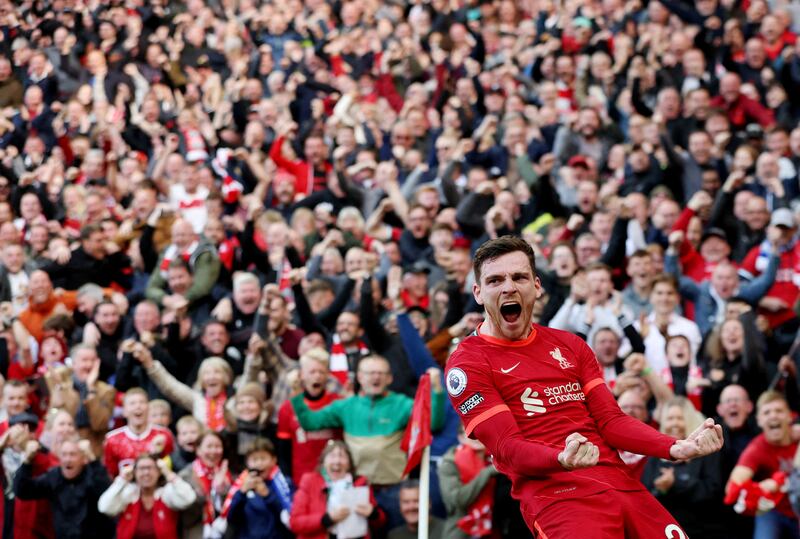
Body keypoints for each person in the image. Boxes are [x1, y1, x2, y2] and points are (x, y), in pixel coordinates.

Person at [446, 236, 723, 538]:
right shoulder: (468, 362)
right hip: (558, 495)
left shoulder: (570, 345)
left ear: (537, 286)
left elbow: (611, 422)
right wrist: (561, 458)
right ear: (478, 293)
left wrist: (674, 446)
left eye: (519, 277)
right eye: (495, 280)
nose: (508, 287)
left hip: (620, 482)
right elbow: (507, 448)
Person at [640, 397, 724, 538]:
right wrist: (661, 489)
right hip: (664, 532)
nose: (674, 424)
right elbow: (645, 496)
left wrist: (677, 482)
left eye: (680, 418)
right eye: (670, 418)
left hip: (701, 530)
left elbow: (712, 491)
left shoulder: (706, 451)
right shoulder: (654, 456)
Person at [726, 391, 800, 539]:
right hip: (774, 511)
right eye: (767, 412)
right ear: (759, 420)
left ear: (789, 416)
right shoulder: (756, 448)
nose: (773, 416)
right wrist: (759, 489)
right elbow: (732, 488)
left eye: (779, 411)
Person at [14, 437, 114, 539]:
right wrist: (27, 461)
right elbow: (22, 491)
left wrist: (93, 459)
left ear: (83, 459)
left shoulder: (92, 474)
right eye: (64, 455)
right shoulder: (54, 476)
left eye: (73, 454)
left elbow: (106, 493)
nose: (68, 460)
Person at [290, 440, 385, 539]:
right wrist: (326, 519)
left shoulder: (360, 483)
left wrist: (373, 513)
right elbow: (295, 523)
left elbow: (380, 521)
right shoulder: (310, 481)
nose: (337, 461)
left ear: (349, 464)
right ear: (323, 462)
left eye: (342, 456)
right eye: (332, 456)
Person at [97, 454, 197, 539]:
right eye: (141, 468)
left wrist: (169, 474)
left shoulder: (166, 493)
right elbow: (104, 507)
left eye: (150, 468)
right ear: (134, 473)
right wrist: (122, 480)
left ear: (159, 472)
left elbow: (189, 499)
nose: (146, 473)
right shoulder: (128, 494)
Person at [222, 438, 295, 539]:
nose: (259, 463)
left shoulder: (284, 483)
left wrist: (267, 495)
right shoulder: (241, 485)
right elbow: (232, 518)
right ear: (247, 463)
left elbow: (290, 516)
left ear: (274, 460)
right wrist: (242, 493)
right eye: (255, 459)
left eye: (263, 458)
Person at [437, 425, 499, 539]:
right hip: (462, 532)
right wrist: (486, 473)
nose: (475, 437)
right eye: (470, 432)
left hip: (496, 529)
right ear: (460, 437)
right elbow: (458, 500)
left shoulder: (498, 458)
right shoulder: (450, 462)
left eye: (479, 432)